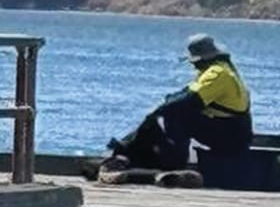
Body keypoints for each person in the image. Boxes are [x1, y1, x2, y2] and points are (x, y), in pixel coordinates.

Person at [101, 34, 253, 184]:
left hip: (231, 136)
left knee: (174, 115)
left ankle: (170, 161)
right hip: (234, 132)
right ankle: (131, 152)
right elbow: (184, 94)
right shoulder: (221, 70)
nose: (193, 66)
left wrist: (157, 112)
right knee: (166, 113)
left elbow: (187, 101)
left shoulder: (217, 74)